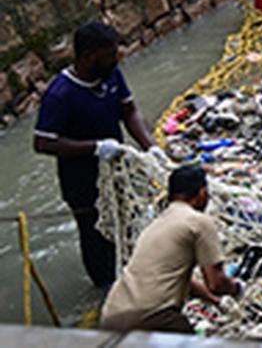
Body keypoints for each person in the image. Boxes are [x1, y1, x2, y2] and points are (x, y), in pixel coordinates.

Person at [34, 21, 167, 288]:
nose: (116, 58)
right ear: (87, 57)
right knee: (94, 233)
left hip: (117, 168)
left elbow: (129, 111)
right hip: (82, 179)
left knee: (129, 217)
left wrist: (150, 146)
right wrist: (93, 147)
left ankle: (133, 271)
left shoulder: (111, 75)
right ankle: (106, 286)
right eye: (109, 54)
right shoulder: (61, 94)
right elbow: (42, 142)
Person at [100, 166, 242, 333]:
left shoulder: (155, 225)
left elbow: (175, 278)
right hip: (152, 317)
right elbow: (216, 283)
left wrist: (215, 302)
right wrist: (238, 289)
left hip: (110, 317)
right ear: (202, 193)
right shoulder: (199, 222)